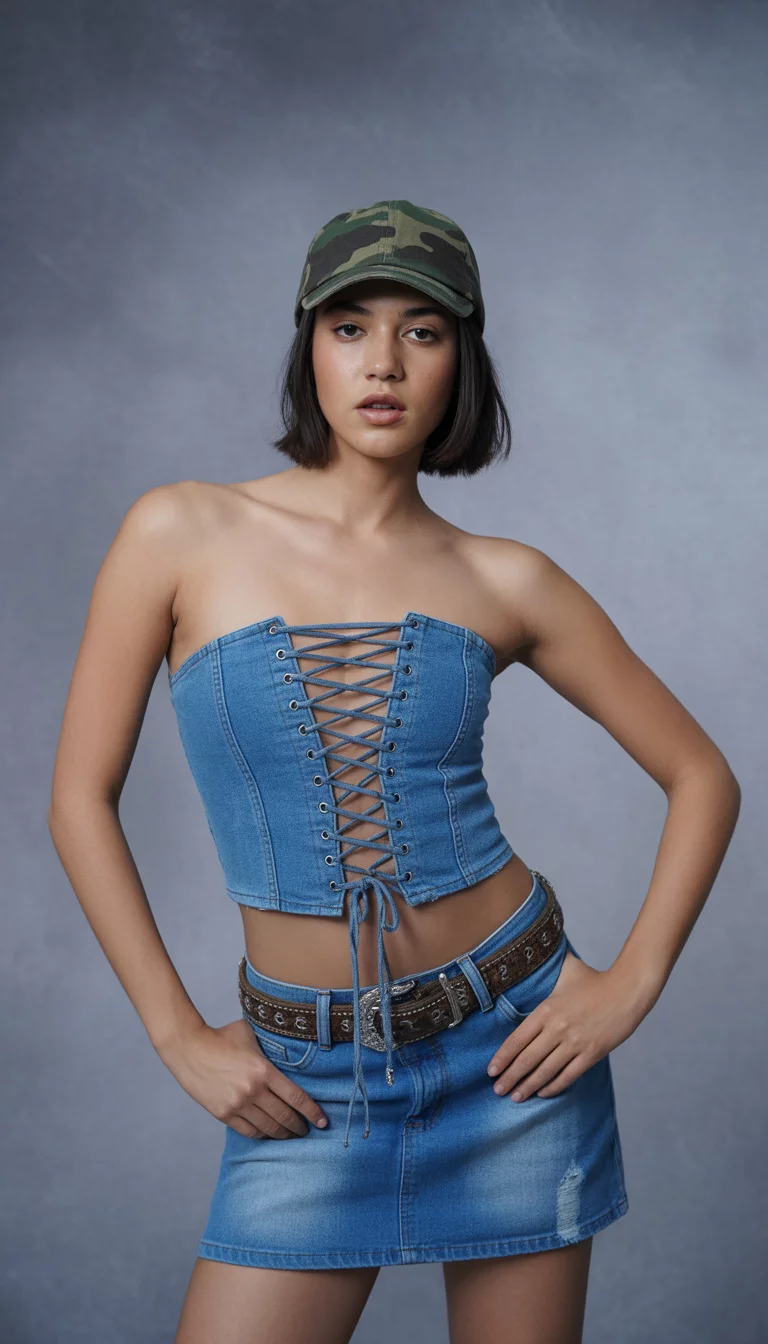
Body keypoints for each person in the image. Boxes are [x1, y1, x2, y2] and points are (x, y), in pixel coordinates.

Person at [48, 199, 741, 1344]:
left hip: (515, 1048)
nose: (383, 362)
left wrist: (630, 983)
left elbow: (702, 775)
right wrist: (176, 1031)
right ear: (306, 345)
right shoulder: (178, 532)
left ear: (462, 359)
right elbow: (80, 798)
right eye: (350, 325)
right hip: (307, 1079)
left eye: (424, 331)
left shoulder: (505, 578)